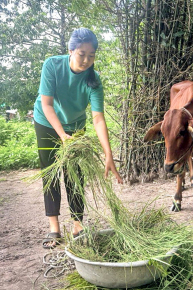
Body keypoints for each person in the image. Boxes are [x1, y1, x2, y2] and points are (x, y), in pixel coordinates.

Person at [33, 28, 123, 249]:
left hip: (76, 127)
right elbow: (46, 104)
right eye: (82, 54)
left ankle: (77, 225)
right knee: (51, 172)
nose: (86, 60)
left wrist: (108, 154)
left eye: (91, 56)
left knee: (75, 174)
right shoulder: (52, 65)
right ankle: (54, 228)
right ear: (70, 50)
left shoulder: (93, 79)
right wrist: (62, 135)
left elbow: (98, 119)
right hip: (46, 121)